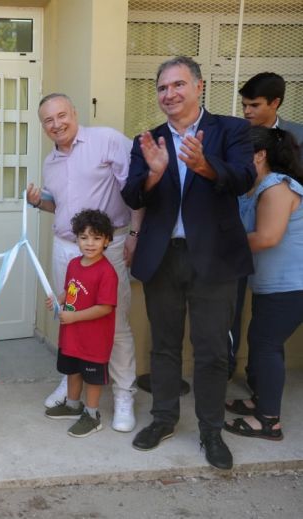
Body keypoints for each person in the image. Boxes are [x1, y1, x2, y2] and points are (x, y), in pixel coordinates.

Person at [121, 56, 256, 470]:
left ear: (198, 87)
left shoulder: (230, 130)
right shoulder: (149, 139)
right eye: (162, 88)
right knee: (163, 345)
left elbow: (244, 179)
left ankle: (211, 430)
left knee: (212, 349)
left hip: (214, 259)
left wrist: (204, 166)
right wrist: (154, 176)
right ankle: (163, 419)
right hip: (164, 257)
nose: (169, 94)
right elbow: (131, 195)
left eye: (178, 85)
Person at [26, 93, 140, 433]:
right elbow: (58, 206)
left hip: (109, 246)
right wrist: (38, 202)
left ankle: (123, 395)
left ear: (75, 113)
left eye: (62, 115)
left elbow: (136, 189)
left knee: (114, 323)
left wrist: (135, 232)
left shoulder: (107, 140)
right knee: (70, 321)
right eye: (48, 120)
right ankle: (70, 384)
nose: (57, 124)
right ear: (43, 126)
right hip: (66, 248)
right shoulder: (51, 162)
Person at [224, 127, 303, 441]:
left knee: (266, 346)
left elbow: (267, 237)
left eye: (239, 155)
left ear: (259, 156)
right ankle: (262, 401)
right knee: (263, 344)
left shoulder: (276, 187)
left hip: (291, 286)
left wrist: (219, 245)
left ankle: (269, 421)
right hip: (273, 285)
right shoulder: (256, 188)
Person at [227, 72, 303, 379]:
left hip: (282, 252)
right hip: (241, 238)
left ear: (275, 103)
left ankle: (262, 388)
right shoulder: (235, 135)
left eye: (254, 105)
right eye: (244, 104)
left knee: (267, 331)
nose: (247, 112)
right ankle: (227, 367)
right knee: (231, 311)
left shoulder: (296, 137)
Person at [44, 210, 118, 438]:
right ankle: (73, 405)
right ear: (76, 238)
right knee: (73, 372)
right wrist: (60, 299)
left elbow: (105, 307)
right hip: (72, 336)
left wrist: (74, 316)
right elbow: (71, 290)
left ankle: (92, 415)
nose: (90, 243)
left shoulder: (107, 272)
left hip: (94, 340)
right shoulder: (74, 264)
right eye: (84, 237)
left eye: (96, 238)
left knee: (92, 377)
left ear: (106, 240)